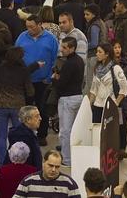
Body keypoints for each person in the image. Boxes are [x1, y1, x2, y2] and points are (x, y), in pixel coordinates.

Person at [0, 46, 39, 166]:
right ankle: (19, 160)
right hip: (18, 106)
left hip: (0, 104)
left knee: (1, 136)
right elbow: (30, 91)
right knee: (20, 135)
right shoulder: (23, 71)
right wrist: (30, 102)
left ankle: (2, 165)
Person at [15, 15, 59, 145]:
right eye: (27, 26)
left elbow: (55, 58)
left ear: (40, 24)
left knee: (42, 108)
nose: (29, 29)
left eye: (32, 27)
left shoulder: (51, 39)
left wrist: (50, 76)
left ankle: (42, 135)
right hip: (26, 81)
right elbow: (16, 56)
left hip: (44, 80)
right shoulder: (22, 37)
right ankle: (25, 133)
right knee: (25, 109)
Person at [52, 37, 84, 166]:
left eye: (65, 47)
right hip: (78, 97)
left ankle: (67, 159)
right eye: (62, 46)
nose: (62, 49)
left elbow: (61, 84)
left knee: (65, 131)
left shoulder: (69, 63)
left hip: (67, 99)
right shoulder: (80, 61)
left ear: (73, 48)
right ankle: (73, 156)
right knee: (74, 130)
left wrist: (55, 79)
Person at [13, 150, 80, 198]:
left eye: (57, 167)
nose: (53, 170)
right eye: (50, 165)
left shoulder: (69, 184)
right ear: (43, 162)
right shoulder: (28, 181)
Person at [88, 43, 127, 122]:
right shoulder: (96, 69)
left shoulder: (116, 68)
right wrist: (89, 104)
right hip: (97, 105)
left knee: (109, 132)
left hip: (110, 105)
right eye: (97, 52)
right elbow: (93, 89)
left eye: (100, 52)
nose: (97, 54)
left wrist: (116, 103)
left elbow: (124, 87)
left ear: (106, 54)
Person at [5, 106, 43, 170]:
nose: (40, 118)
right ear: (28, 120)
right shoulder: (23, 137)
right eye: (37, 116)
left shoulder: (27, 133)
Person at [83, 4, 107, 93]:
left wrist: (83, 46)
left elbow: (94, 43)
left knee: (90, 81)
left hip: (93, 55)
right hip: (101, 54)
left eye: (87, 14)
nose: (85, 16)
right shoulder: (101, 22)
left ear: (94, 14)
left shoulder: (94, 26)